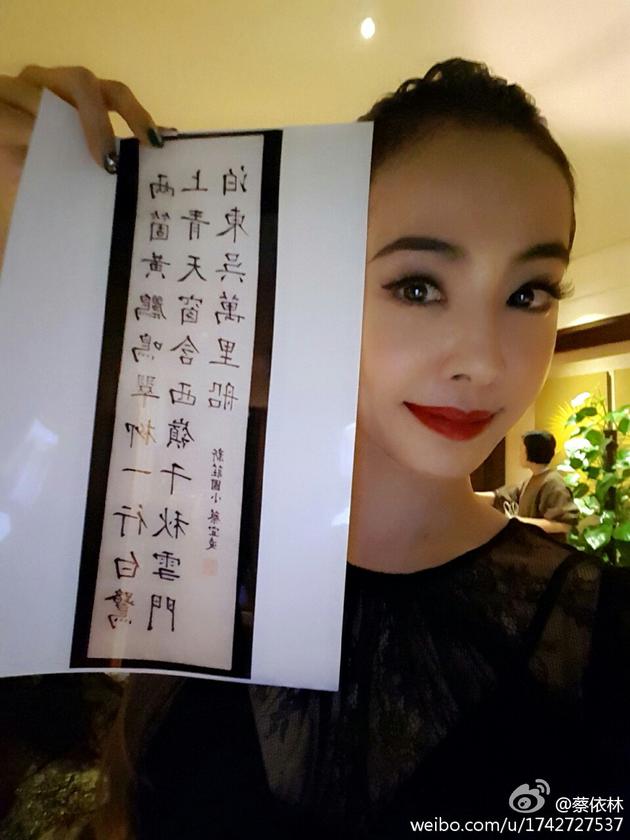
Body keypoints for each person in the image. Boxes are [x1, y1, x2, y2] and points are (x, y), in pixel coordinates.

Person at [0, 61, 629, 839]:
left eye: (529, 292)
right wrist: (28, 221)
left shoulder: (600, 630)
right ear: (320, 284)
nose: (485, 361)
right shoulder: (179, 554)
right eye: (418, 285)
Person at [478, 430, 579, 538]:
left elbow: (564, 525)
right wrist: (470, 496)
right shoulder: (531, 480)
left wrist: (518, 521)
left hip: (544, 547)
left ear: (532, 451)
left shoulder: (553, 483)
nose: (519, 454)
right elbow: (501, 497)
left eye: (522, 450)